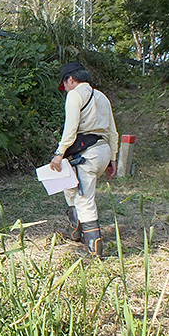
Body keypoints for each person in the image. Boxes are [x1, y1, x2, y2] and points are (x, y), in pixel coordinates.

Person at [50, 62, 118, 257]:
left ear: (70, 79)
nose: (65, 90)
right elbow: (113, 131)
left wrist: (59, 153)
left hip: (86, 154)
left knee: (84, 199)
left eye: (64, 85)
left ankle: (95, 251)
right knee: (69, 186)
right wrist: (112, 159)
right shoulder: (102, 97)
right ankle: (76, 232)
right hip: (102, 150)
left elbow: (70, 129)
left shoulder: (75, 95)